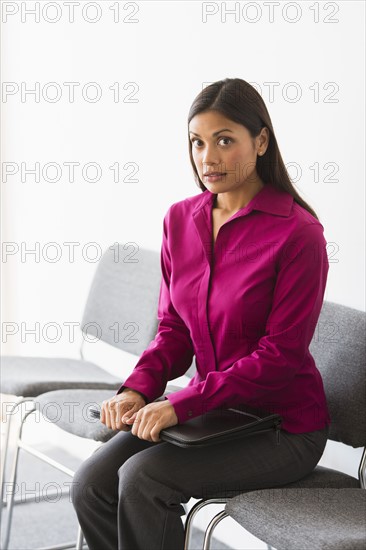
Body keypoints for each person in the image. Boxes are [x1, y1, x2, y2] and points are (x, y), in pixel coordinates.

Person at [71, 78, 331, 550]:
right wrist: (138, 390)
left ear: (261, 141)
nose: (207, 158)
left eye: (225, 140)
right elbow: (173, 330)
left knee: (143, 482)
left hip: (282, 427)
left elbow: (280, 356)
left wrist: (180, 404)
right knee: (91, 483)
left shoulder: (299, 235)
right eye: (197, 142)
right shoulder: (179, 220)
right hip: (212, 413)